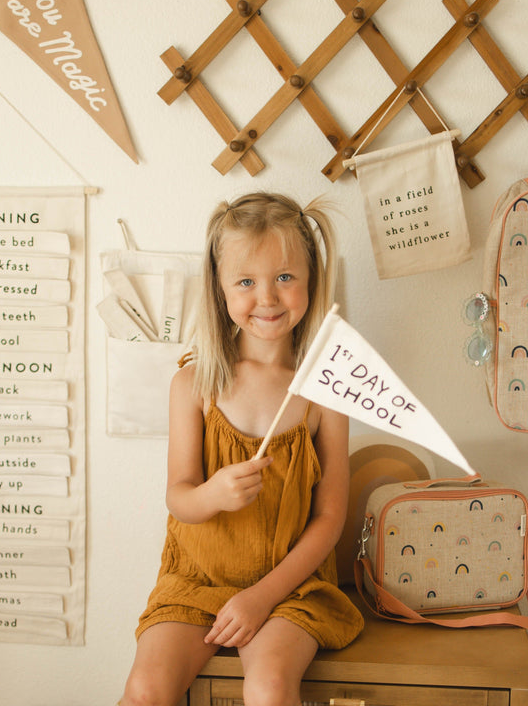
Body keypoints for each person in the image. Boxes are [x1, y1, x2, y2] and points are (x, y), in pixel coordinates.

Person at [118, 192, 363, 706]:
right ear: (220, 288)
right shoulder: (193, 385)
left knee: (270, 686)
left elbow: (330, 518)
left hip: (289, 590)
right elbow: (178, 498)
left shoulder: (325, 392)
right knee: (145, 689)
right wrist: (213, 495)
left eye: (285, 277)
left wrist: (260, 598)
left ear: (312, 280)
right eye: (246, 282)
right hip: (196, 579)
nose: (267, 298)